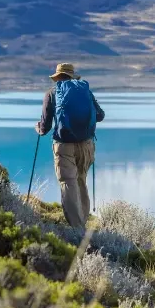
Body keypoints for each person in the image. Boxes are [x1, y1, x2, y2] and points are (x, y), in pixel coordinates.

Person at [35, 63, 105, 228]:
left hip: (64, 145)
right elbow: (100, 115)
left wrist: (37, 128)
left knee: (68, 182)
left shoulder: (52, 94)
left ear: (57, 77)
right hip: (86, 145)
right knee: (80, 179)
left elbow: (44, 128)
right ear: (72, 76)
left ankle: (76, 227)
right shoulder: (85, 91)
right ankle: (83, 220)